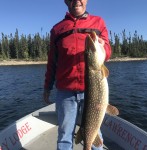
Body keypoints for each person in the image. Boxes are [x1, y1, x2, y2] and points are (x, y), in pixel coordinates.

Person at [43, 0, 111, 150]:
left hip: (91, 93)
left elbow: (107, 51)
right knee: (65, 135)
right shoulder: (57, 29)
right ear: (67, 2)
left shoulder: (98, 22)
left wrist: (101, 46)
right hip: (66, 92)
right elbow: (52, 62)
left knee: (94, 131)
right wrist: (47, 87)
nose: (77, 1)